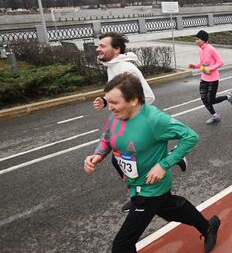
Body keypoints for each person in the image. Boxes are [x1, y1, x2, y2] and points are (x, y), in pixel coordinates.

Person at [84, 74, 220, 253]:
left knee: (121, 245)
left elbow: (190, 136)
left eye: (115, 103)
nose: (110, 108)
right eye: (108, 102)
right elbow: (107, 137)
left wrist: (164, 164)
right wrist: (98, 155)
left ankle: (207, 227)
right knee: (171, 209)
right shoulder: (116, 116)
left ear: (133, 100)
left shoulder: (155, 119)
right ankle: (208, 227)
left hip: (150, 188)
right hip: (134, 184)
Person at [93, 32, 186, 213]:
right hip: (127, 117)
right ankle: (138, 193)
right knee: (121, 159)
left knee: (124, 158)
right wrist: (106, 101)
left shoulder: (127, 68)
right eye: (99, 45)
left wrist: (132, 114)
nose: (98, 48)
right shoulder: (112, 66)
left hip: (138, 119)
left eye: (103, 45)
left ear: (117, 49)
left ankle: (142, 191)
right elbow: (118, 92)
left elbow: (149, 96)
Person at [188, 30, 232, 124]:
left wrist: (210, 68)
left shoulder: (211, 49)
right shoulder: (201, 49)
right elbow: (202, 63)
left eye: (198, 39)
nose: (196, 41)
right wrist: (195, 66)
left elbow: (220, 62)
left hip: (213, 79)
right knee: (203, 98)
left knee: (211, 100)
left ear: (204, 40)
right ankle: (215, 115)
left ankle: (228, 96)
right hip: (204, 78)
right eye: (196, 39)